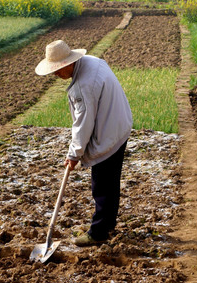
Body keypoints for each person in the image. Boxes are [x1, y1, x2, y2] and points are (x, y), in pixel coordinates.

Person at [35, 40, 132, 247]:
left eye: (58, 70)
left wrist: (73, 154)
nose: (56, 75)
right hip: (119, 124)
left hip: (108, 133)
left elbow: (83, 125)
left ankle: (98, 233)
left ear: (69, 62)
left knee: (102, 185)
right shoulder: (93, 61)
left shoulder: (83, 86)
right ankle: (108, 224)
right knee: (111, 183)